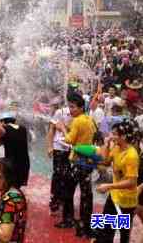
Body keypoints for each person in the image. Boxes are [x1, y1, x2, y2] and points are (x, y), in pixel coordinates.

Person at [54, 92, 96, 237]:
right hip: (88, 160)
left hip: (77, 161)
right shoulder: (89, 120)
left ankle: (68, 219)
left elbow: (70, 140)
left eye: (72, 107)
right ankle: (86, 224)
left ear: (80, 107)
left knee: (67, 190)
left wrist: (62, 129)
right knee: (86, 194)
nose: (70, 110)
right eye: (69, 107)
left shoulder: (78, 120)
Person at [95, 119, 141, 243]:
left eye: (115, 134)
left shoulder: (131, 155)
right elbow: (105, 161)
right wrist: (106, 144)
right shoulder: (116, 148)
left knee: (123, 233)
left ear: (124, 136)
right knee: (105, 227)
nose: (112, 135)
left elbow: (131, 182)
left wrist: (109, 186)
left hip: (126, 201)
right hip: (114, 197)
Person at [47, 100, 72, 214]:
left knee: (67, 175)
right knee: (57, 174)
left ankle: (64, 200)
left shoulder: (80, 115)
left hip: (72, 148)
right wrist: (50, 146)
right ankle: (54, 202)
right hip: (59, 147)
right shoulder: (60, 112)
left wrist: (65, 127)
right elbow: (51, 129)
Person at [0, 111, 30, 189]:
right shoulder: (23, 128)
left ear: (3, 122)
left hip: (10, 162)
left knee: (8, 184)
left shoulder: (5, 129)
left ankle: (8, 199)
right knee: (17, 185)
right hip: (24, 162)